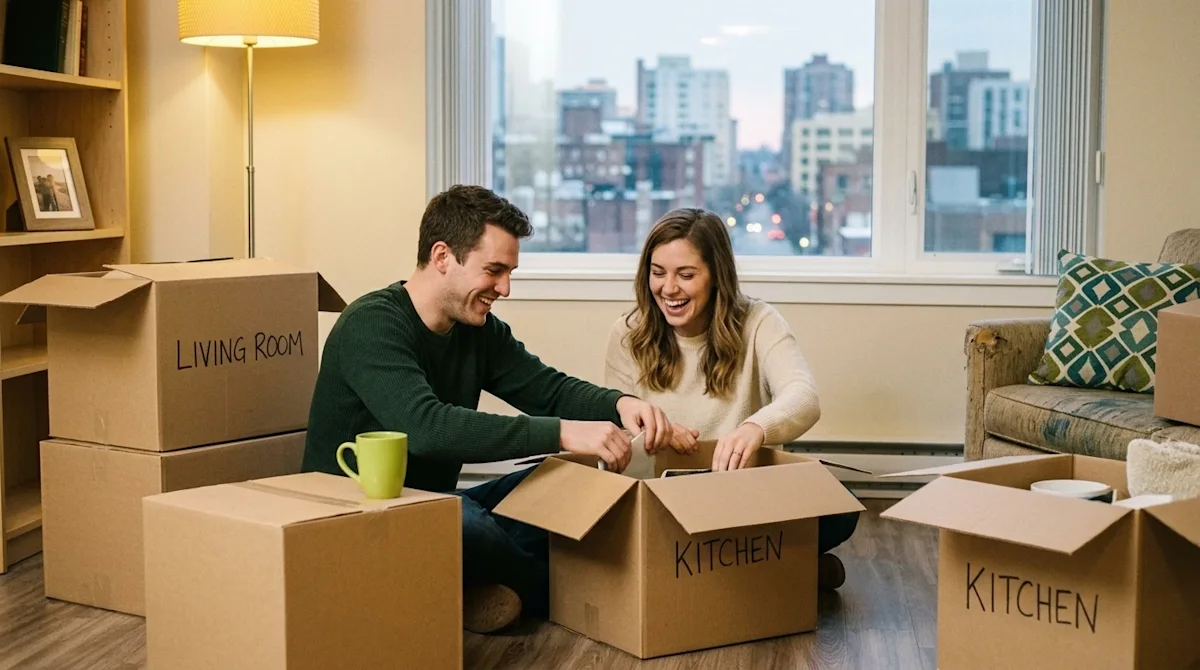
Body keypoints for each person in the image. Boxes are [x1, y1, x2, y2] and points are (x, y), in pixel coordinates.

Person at [302, 185, 672, 633]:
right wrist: (561, 433)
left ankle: (462, 586)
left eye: (509, 272)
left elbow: (546, 388)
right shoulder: (371, 324)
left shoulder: (477, 331)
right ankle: (586, 596)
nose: (505, 288)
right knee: (470, 528)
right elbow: (428, 429)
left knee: (572, 481)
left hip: (434, 507)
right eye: (494, 271)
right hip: (356, 524)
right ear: (442, 257)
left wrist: (620, 403)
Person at [604, 207, 860, 590]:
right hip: (662, 499)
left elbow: (804, 396)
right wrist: (654, 436)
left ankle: (719, 571)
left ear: (716, 276)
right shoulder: (628, 333)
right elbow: (617, 432)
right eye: (658, 273)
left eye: (686, 275)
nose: (669, 288)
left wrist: (755, 428)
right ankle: (784, 571)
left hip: (741, 497)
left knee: (841, 505)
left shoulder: (759, 322)